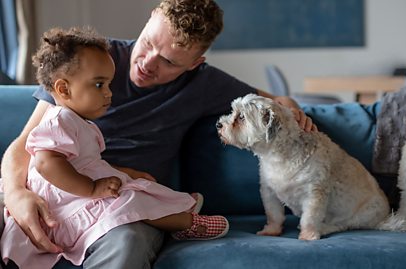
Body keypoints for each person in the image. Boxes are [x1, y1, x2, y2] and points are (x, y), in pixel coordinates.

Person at [0, 0, 316, 268]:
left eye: (168, 62)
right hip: (55, 189)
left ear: (195, 64)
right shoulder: (90, 61)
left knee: (127, 242)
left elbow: (272, 101)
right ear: (150, 18)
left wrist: (287, 105)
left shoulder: (203, 84)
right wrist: (16, 194)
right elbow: (26, 146)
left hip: (124, 206)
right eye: (149, 43)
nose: (148, 64)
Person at [0, 26, 233, 269]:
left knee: (131, 192)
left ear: (194, 63)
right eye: (100, 85)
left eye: (168, 61)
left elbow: (84, 162)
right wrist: (91, 189)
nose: (110, 93)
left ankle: (179, 208)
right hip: (64, 196)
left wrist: (123, 172)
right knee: (130, 198)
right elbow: (45, 162)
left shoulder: (79, 122)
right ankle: (185, 221)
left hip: (71, 194)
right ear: (63, 89)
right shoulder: (61, 119)